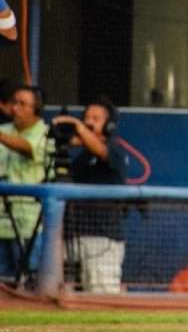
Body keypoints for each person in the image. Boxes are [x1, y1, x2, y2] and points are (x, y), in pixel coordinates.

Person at [52, 98, 130, 293]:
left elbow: (100, 150)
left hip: (103, 239)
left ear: (109, 125)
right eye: (86, 117)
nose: (89, 121)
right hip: (73, 237)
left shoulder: (115, 150)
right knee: (65, 295)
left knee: (101, 296)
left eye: (96, 118)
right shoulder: (81, 157)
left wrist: (79, 127)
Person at [0, 85, 49, 283]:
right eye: (14, 102)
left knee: (30, 284)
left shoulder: (45, 133)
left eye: (23, 104)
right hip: (1, 223)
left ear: (35, 109)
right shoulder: (3, 130)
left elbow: (28, 148)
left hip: (30, 224)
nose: (15, 108)